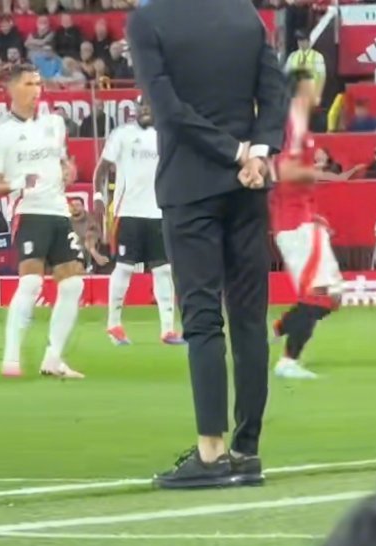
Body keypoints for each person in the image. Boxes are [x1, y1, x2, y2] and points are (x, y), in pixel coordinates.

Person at [129, 0, 287, 489]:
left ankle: (211, 451)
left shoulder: (148, 20)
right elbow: (274, 91)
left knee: (202, 317)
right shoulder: (244, 14)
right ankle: (247, 449)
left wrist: (234, 152)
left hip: (191, 184)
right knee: (249, 317)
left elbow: (169, 109)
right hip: (248, 186)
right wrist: (256, 153)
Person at [0, 64, 85, 380]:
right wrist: (19, 183)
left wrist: (68, 170)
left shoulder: (54, 123)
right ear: (13, 89)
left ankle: (53, 359)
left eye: (38, 83)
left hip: (58, 210)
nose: (36, 90)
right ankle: (11, 356)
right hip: (29, 210)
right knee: (31, 282)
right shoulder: (2, 132)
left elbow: (63, 161)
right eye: (29, 84)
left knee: (73, 284)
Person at [268, 70, 344, 381]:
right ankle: (288, 361)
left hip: (302, 219)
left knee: (333, 295)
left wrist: (314, 214)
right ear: (301, 90)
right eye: (313, 85)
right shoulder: (293, 124)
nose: (318, 90)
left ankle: (279, 329)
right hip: (294, 223)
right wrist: (323, 174)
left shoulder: (295, 124)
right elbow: (285, 171)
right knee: (319, 294)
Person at [95, 98, 182, 346]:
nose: (145, 110)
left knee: (163, 270)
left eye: (149, 106)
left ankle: (168, 330)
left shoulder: (166, 136)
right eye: (141, 106)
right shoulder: (122, 135)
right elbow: (102, 169)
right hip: (128, 212)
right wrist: (98, 196)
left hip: (158, 212)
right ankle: (114, 325)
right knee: (124, 267)